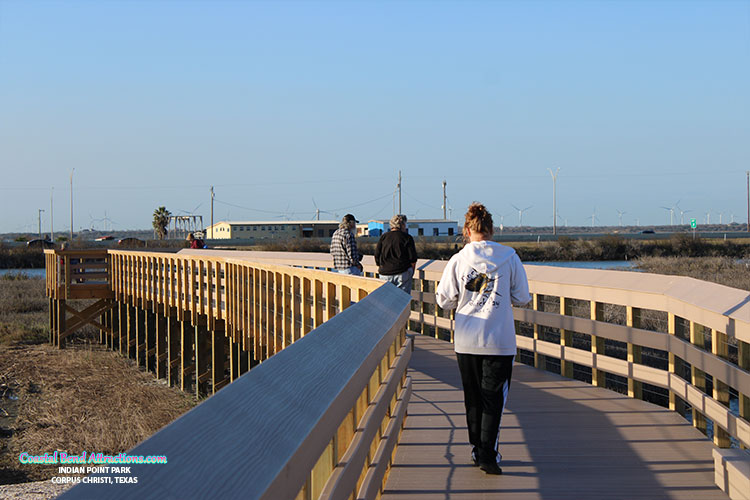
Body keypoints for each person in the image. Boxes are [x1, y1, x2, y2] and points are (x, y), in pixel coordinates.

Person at [435, 202, 530, 475]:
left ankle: (477, 448)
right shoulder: (510, 257)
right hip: (499, 341)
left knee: (473, 397)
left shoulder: (458, 260)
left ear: (467, 230)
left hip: (467, 339)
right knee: (494, 399)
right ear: (491, 229)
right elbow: (522, 297)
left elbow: (444, 300)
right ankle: (488, 453)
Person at [374, 214, 418, 294]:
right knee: (402, 300)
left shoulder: (384, 237)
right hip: (402, 272)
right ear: (402, 225)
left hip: (385, 273)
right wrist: (411, 272)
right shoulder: (407, 238)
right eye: (405, 224)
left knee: (385, 300)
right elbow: (413, 259)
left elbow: (377, 255)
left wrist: (381, 266)